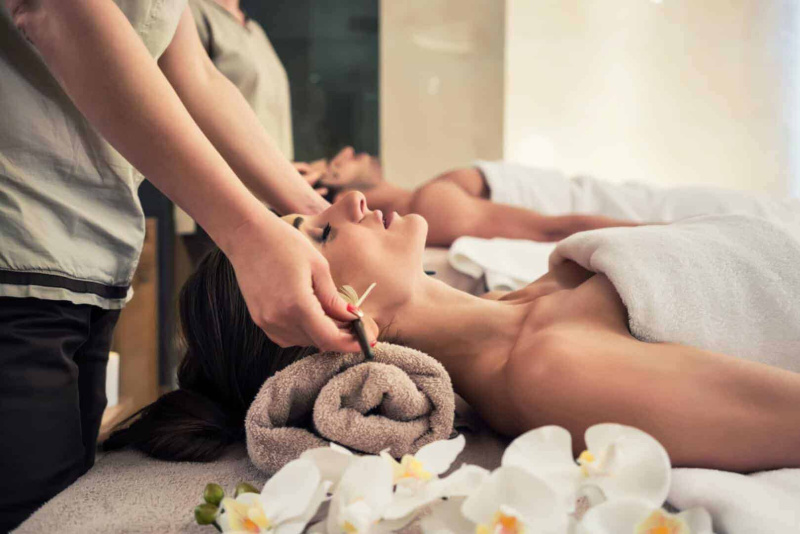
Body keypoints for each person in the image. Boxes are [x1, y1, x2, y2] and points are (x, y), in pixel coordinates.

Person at [0, 0, 370, 529]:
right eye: (323, 236)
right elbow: (56, 9)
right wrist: (248, 229)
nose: (361, 207)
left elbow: (196, 79)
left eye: (324, 237)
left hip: (89, 263)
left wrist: (317, 212)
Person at [109, 191, 800, 473]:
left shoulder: (518, 304)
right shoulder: (548, 368)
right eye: (322, 233)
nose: (349, 201)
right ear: (338, 313)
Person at [298, 147, 800, 245]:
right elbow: (556, 228)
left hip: (637, 202)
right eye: (336, 162)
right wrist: (697, 237)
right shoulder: (434, 206)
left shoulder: (438, 191)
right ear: (337, 192)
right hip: (645, 216)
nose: (347, 151)